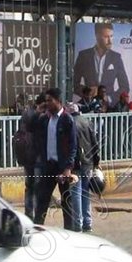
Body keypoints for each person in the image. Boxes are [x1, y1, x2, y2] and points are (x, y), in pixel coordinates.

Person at [33, 88, 78, 228]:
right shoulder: (45, 120)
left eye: (49, 101)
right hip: (48, 166)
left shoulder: (67, 119)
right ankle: (38, 228)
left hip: (63, 167)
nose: (47, 104)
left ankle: (69, 230)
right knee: (42, 200)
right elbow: (30, 128)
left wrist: (68, 168)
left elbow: (73, 146)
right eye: (46, 101)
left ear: (58, 101)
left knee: (67, 201)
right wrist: (37, 112)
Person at [72, 22, 129, 108]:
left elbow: (125, 86)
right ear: (97, 36)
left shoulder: (116, 57)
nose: (110, 41)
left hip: (109, 107)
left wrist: (110, 98)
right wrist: (88, 92)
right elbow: (74, 83)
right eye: (106, 37)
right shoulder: (83, 55)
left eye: (111, 36)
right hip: (88, 105)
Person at [66, 103, 101, 233]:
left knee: (76, 193)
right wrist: (96, 161)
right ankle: (87, 223)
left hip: (75, 163)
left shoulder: (70, 124)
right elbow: (94, 142)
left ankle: (77, 224)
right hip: (88, 162)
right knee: (85, 192)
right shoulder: (87, 122)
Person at [19, 93, 46, 220]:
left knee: (29, 186)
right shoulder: (38, 116)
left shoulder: (26, 114)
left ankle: (29, 213)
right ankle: (36, 214)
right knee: (37, 186)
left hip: (27, 155)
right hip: (36, 156)